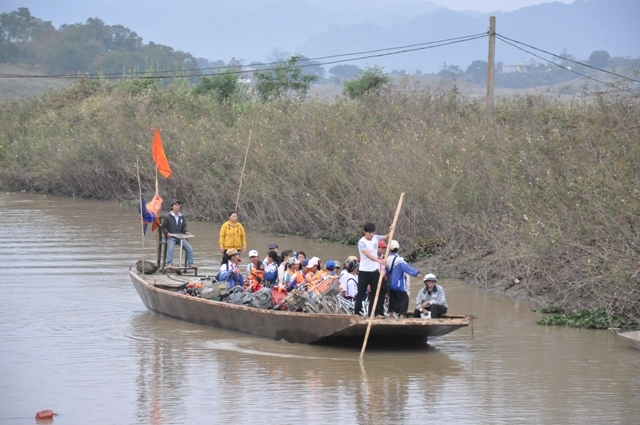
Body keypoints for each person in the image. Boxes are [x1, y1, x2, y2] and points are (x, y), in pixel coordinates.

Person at [354, 221, 392, 318]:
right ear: (365, 232)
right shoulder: (362, 242)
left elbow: (387, 236)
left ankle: (378, 313)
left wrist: (391, 230)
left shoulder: (375, 238)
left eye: (373, 232)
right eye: (369, 233)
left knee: (377, 292)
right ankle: (357, 312)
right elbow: (368, 255)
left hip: (374, 271)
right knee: (361, 292)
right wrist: (378, 261)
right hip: (364, 271)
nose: (371, 235)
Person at [385, 240, 423, 319]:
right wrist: (417, 273)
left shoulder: (387, 259)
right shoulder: (399, 260)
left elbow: (386, 271)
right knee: (404, 298)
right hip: (398, 285)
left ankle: (391, 315)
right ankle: (402, 316)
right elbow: (408, 269)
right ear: (398, 249)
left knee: (392, 299)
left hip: (390, 285)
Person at [162, 199, 196, 269]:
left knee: (189, 247)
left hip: (180, 237)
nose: (177, 206)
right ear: (172, 207)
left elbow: (184, 228)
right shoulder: (167, 217)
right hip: (171, 237)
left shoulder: (182, 216)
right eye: (175, 205)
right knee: (171, 247)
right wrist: (167, 233)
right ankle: (169, 263)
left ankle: (191, 264)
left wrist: (186, 232)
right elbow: (164, 227)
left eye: (178, 205)